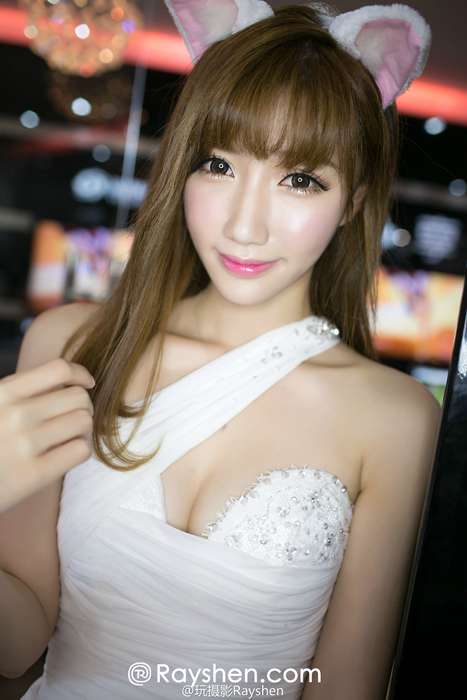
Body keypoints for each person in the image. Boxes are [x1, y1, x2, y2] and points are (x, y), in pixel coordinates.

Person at [0, 2, 441, 698]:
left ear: (353, 202)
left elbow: (344, 687)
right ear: (183, 168)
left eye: (301, 180)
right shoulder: (73, 346)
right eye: (218, 165)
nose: (245, 225)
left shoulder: (396, 418)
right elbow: (18, 640)